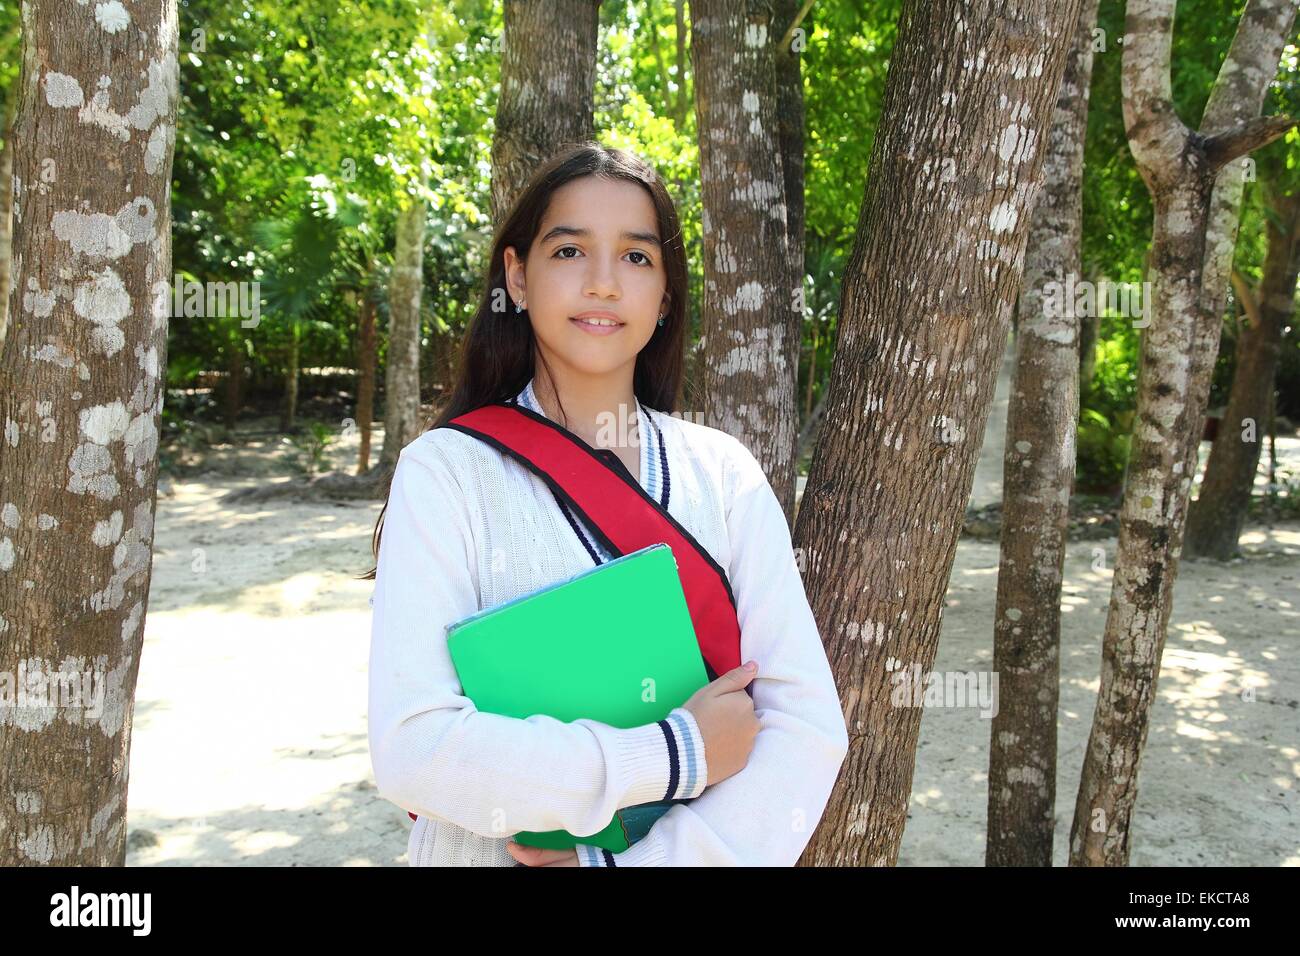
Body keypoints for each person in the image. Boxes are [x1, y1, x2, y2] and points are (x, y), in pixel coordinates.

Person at [364, 141, 848, 866]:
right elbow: (414, 747)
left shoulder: (721, 474)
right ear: (517, 278)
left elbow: (804, 728)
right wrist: (673, 753)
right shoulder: (447, 472)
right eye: (567, 252)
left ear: (664, 295)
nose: (602, 283)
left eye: (636, 257)